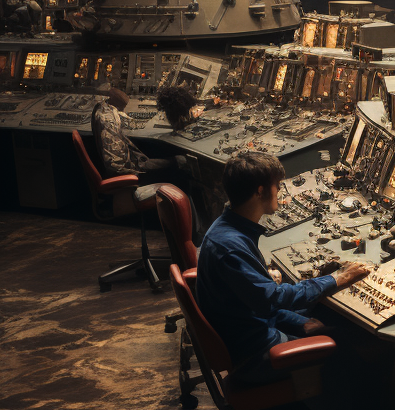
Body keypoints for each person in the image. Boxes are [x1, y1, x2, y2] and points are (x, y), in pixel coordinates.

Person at [197, 151, 370, 385]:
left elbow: (257, 301)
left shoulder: (228, 229)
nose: (280, 191)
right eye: (277, 186)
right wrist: (337, 278)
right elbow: (272, 300)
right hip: (254, 351)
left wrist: (298, 321)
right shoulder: (231, 247)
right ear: (260, 191)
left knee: (325, 321)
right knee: (353, 350)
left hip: (247, 328)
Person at [90, 87, 191, 188]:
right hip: (131, 172)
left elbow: (129, 121)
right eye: (123, 107)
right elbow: (116, 165)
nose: (124, 110)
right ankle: (179, 199)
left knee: (173, 160)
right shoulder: (108, 119)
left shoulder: (106, 110)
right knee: (181, 162)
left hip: (132, 163)